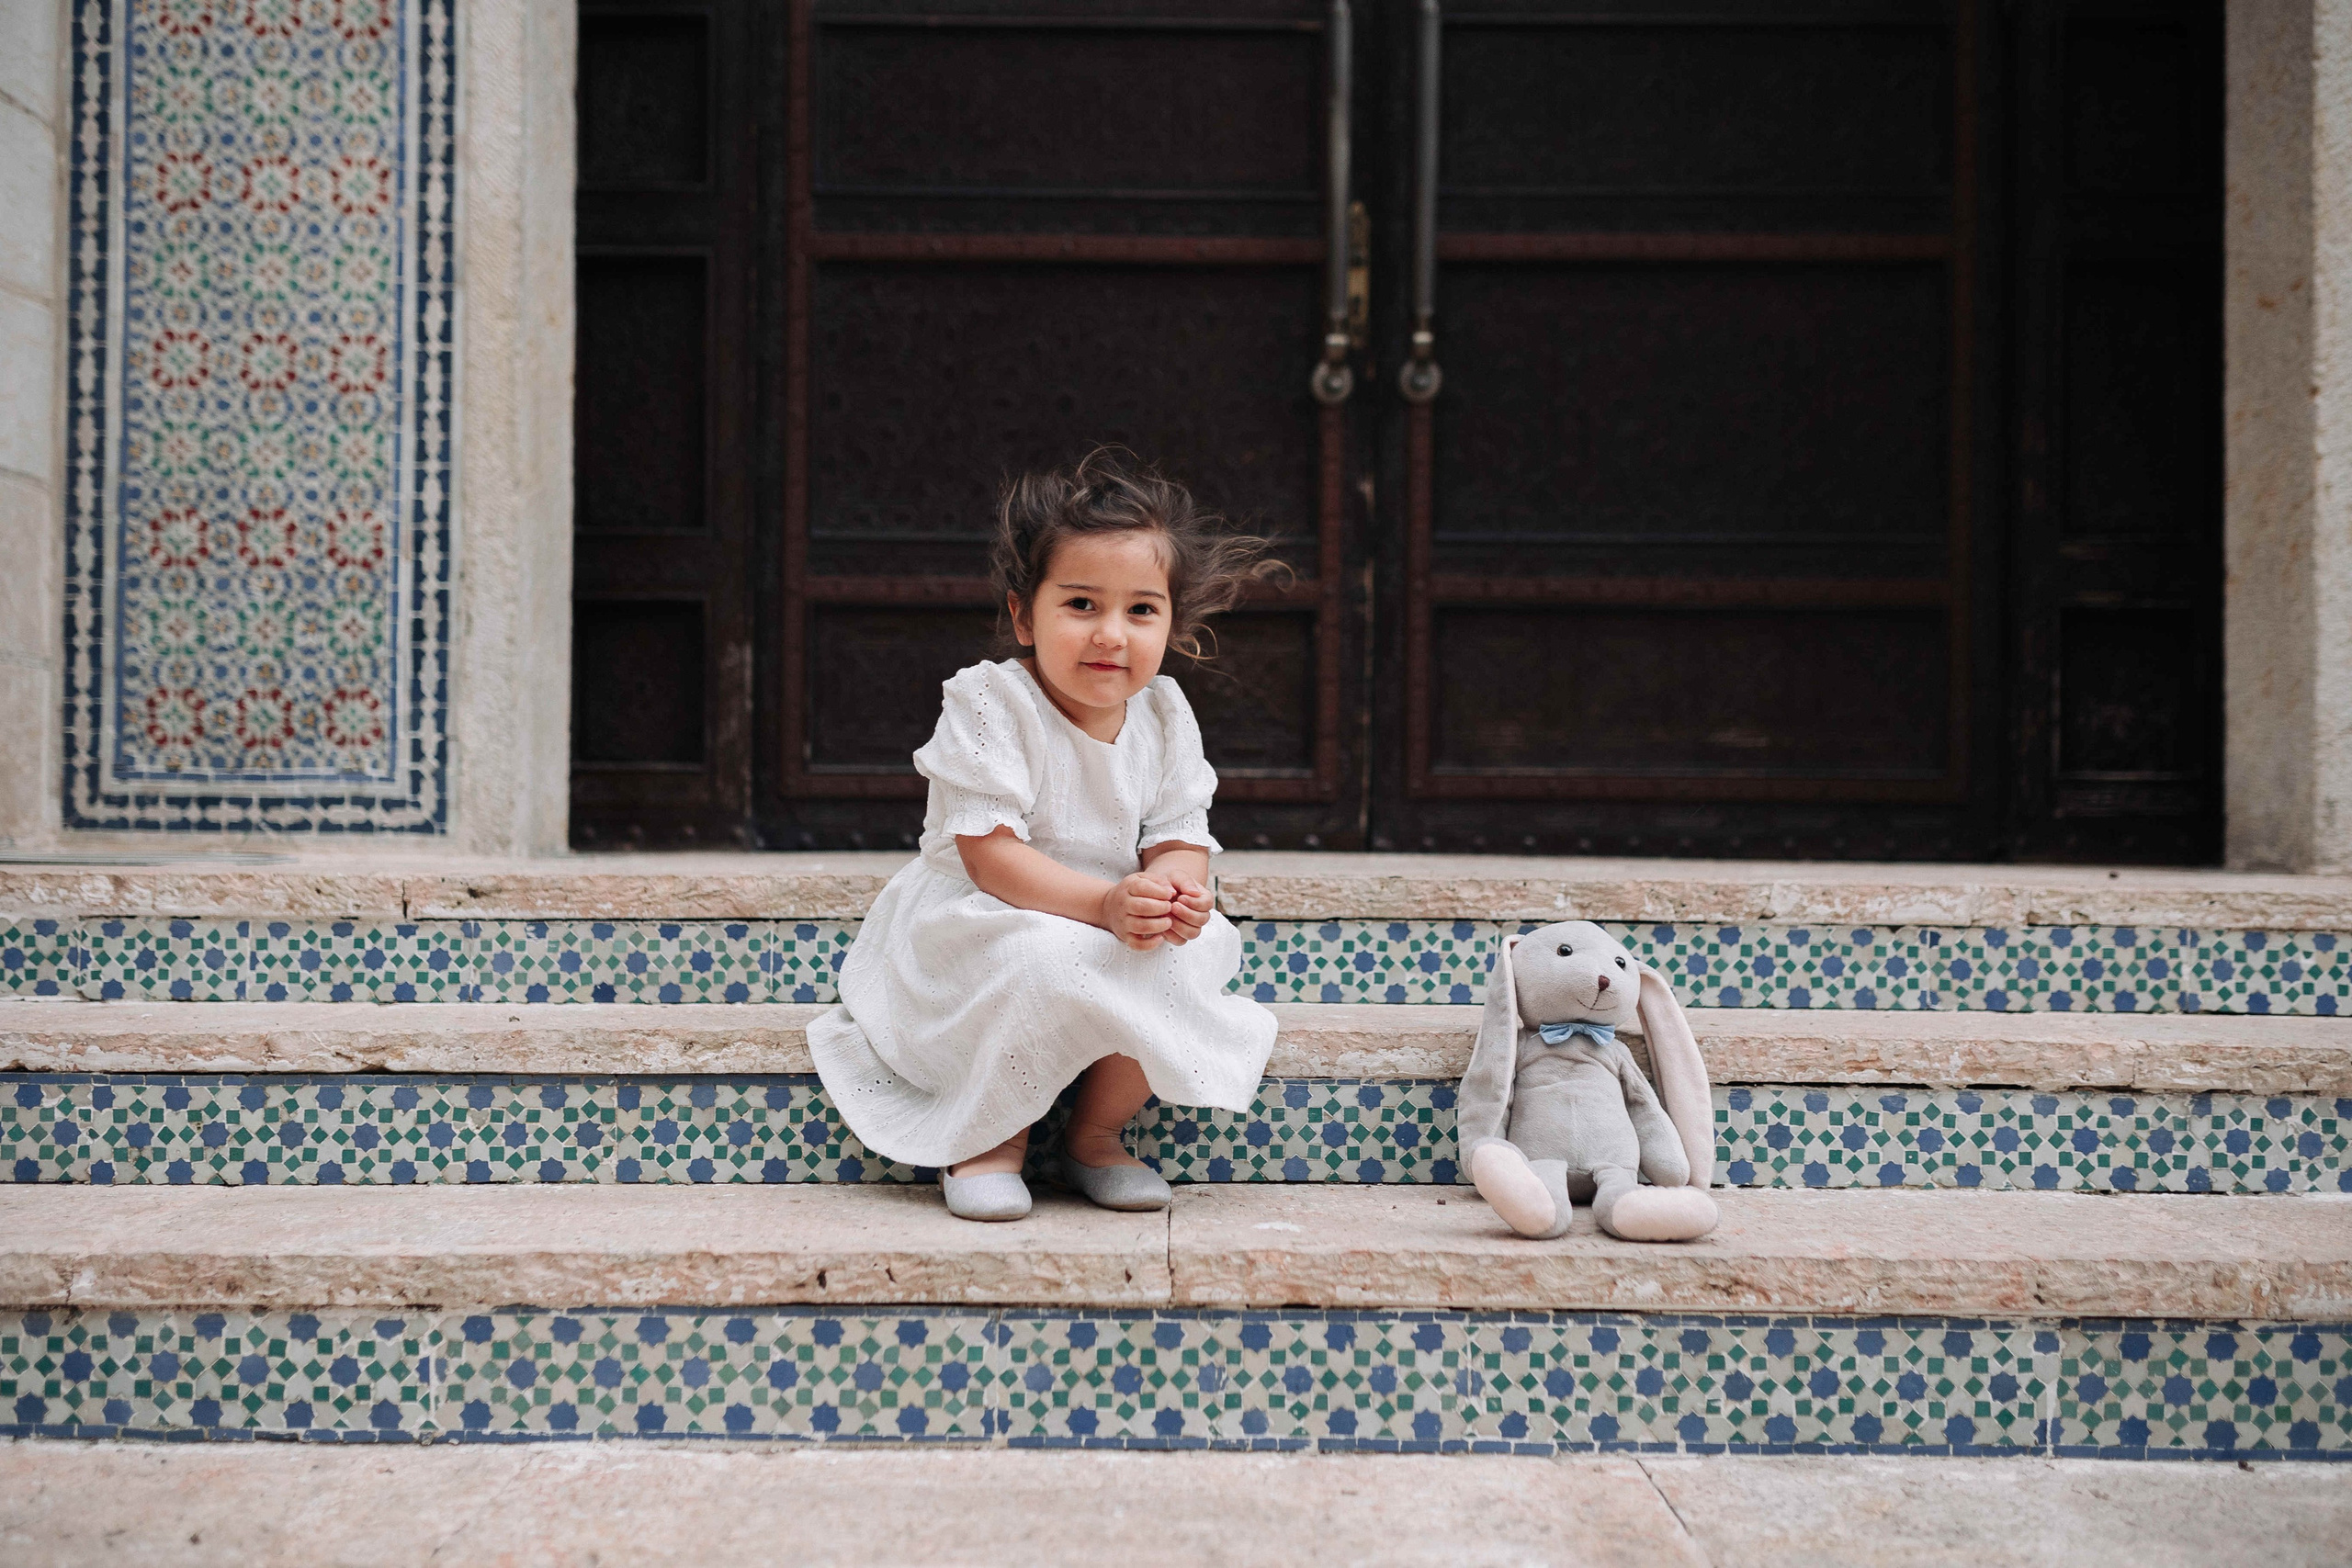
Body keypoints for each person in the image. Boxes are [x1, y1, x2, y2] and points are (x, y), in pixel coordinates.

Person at [807, 449, 1281, 1221]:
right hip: (994, 911)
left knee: (1189, 953)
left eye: (1141, 610)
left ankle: (1093, 1137)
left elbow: (1178, 830)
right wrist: (1103, 904)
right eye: (1082, 604)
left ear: (1173, 623)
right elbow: (987, 852)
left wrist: (1177, 892)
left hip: (1110, 913)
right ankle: (990, 1140)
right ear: (1026, 613)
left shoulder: (1164, 716)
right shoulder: (994, 702)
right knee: (1039, 956)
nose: (1111, 634)